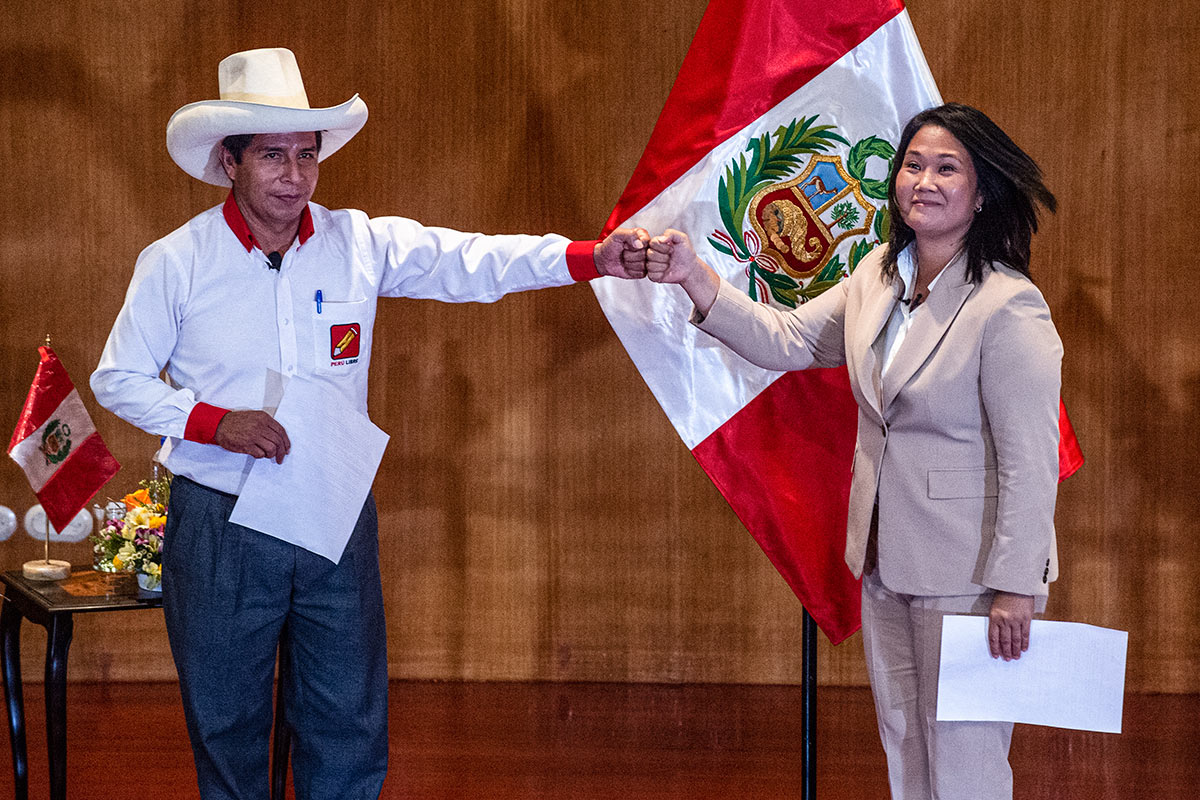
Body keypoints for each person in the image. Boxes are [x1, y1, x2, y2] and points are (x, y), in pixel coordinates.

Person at [90, 47, 648, 800]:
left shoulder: (360, 242)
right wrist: (209, 420)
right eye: (272, 158)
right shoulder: (176, 260)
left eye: (306, 156)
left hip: (333, 511)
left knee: (346, 720)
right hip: (219, 520)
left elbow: (472, 262)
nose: (294, 176)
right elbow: (115, 377)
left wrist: (590, 257)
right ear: (229, 161)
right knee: (226, 725)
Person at [644, 102, 1061, 800]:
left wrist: (1018, 586)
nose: (922, 180)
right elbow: (789, 340)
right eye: (912, 164)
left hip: (971, 572)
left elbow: (1031, 459)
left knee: (964, 754)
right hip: (884, 556)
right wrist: (695, 276)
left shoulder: (1007, 305)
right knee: (904, 741)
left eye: (946, 168)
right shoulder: (878, 275)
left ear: (982, 191)